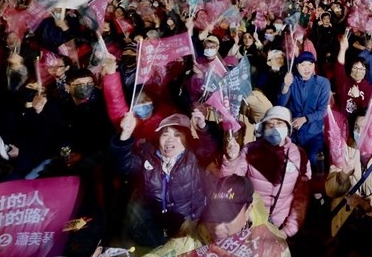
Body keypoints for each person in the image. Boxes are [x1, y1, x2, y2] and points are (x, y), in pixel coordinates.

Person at [110, 111, 215, 248]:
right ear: (158, 137)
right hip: (151, 231)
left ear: (186, 140)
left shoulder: (193, 157)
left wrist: (202, 126)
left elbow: (208, 148)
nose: (170, 139)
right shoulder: (146, 155)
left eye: (177, 135)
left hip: (186, 228)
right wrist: (125, 136)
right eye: (165, 134)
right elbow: (122, 165)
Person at [144, 175, 291, 257]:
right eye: (213, 216)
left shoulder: (272, 247)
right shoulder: (194, 233)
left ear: (248, 211)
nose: (217, 227)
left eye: (227, 217)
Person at [222, 106, 310, 238]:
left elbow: (301, 199)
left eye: (279, 123)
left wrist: (286, 231)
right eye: (270, 124)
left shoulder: (299, 155)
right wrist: (231, 161)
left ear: (288, 128)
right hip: (250, 220)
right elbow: (230, 185)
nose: (275, 128)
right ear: (263, 129)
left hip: (279, 225)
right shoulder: (250, 150)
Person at [325, 109, 372, 255]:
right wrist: (342, 177)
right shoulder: (345, 149)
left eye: (365, 128)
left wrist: (365, 202)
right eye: (357, 128)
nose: (360, 133)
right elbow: (330, 190)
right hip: (348, 212)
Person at [277, 50, 330, 161]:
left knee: (313, 159)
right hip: (293, 132)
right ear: (296, 66)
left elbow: (323, 110)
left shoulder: (323, 83)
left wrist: (305, 119)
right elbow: (280, 104)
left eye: (310, 64)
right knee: (288, 160)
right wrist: (286, 86)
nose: (307, 69)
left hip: (313, 133)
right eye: (303, 65)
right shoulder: (292, 81)